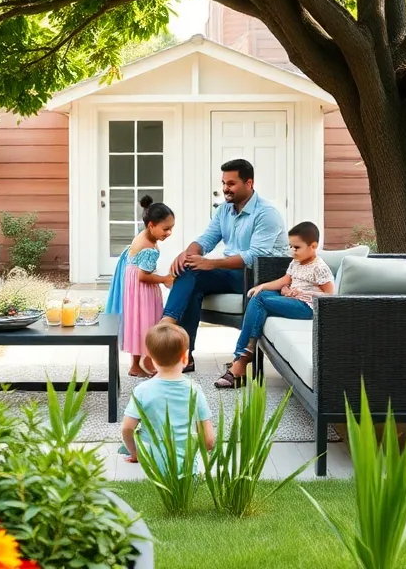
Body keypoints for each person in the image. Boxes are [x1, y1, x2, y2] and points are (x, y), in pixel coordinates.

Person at [162, 159, 289, 371]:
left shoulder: (267, 213)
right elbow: (206, 240)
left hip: (259, 277)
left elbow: (255, 256)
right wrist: (186, 255)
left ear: (249, 183)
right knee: (189, 272)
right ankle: (177, 341)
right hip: (232, 273)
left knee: (195, 275)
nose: (225, 189)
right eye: (223, 183)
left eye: (231, 183)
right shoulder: (224, 210)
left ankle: (169, 329)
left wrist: (210, 264)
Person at [215, 221, 334, 388]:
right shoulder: (296, 262)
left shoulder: (319, 267)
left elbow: (330, 295)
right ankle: (243, 356)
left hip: (306, 308)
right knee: (260, 295)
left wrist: (302, 293)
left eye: (297, 247)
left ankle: (241, 359)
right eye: (291, 247)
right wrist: (262, 286)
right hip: (293, 301)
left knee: (260, 300)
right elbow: (285, 280)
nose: (292, 251)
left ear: (313, 246)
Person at [120, 323, 215, 472]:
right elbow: (209, 441)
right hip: (187, 468)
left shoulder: (142, 391)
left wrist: (135, 453)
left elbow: (127, 428)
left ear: (151, 359)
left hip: (153, 467)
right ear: (185, 357)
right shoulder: (195, 391)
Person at [106, 196, 175, 378]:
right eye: (166, 229)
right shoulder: (150, 248)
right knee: (148, 322)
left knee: (137, 322)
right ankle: (148, 360)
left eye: (171, 228)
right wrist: (165, 279)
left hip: (132, 288)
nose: (169, 233)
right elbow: (143, 276)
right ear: (151, 225)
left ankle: (135, 365)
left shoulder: (142, 235)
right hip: (142, 290)